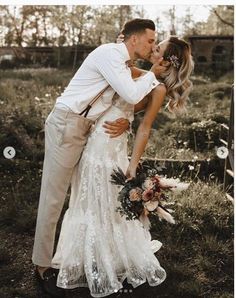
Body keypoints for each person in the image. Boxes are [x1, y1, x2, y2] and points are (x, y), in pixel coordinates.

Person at [32, 18, 166, 297]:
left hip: (87, 128)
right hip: (67, 123)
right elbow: (131, 93)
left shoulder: (123, 63)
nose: (153, 45)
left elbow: (127, 101)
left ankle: (71, 254)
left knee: (77, 194)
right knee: (54, 196)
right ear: (134, 40)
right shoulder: (108, 54)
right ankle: (42, 267)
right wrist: (153, 73)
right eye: (151, 40)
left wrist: (128, 122)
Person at [51, 36, 194, 297]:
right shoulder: (136, 70)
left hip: (111, 147)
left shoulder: (158, 88)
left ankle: (110, 257)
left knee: (109, 199)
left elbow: (144, 127)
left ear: (164, 59)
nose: (152, 48)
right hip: (95, 137)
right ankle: (88, 253)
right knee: (87, 196)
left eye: (157, 48)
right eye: (154, 43)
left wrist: (133, 163)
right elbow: (123, 82)